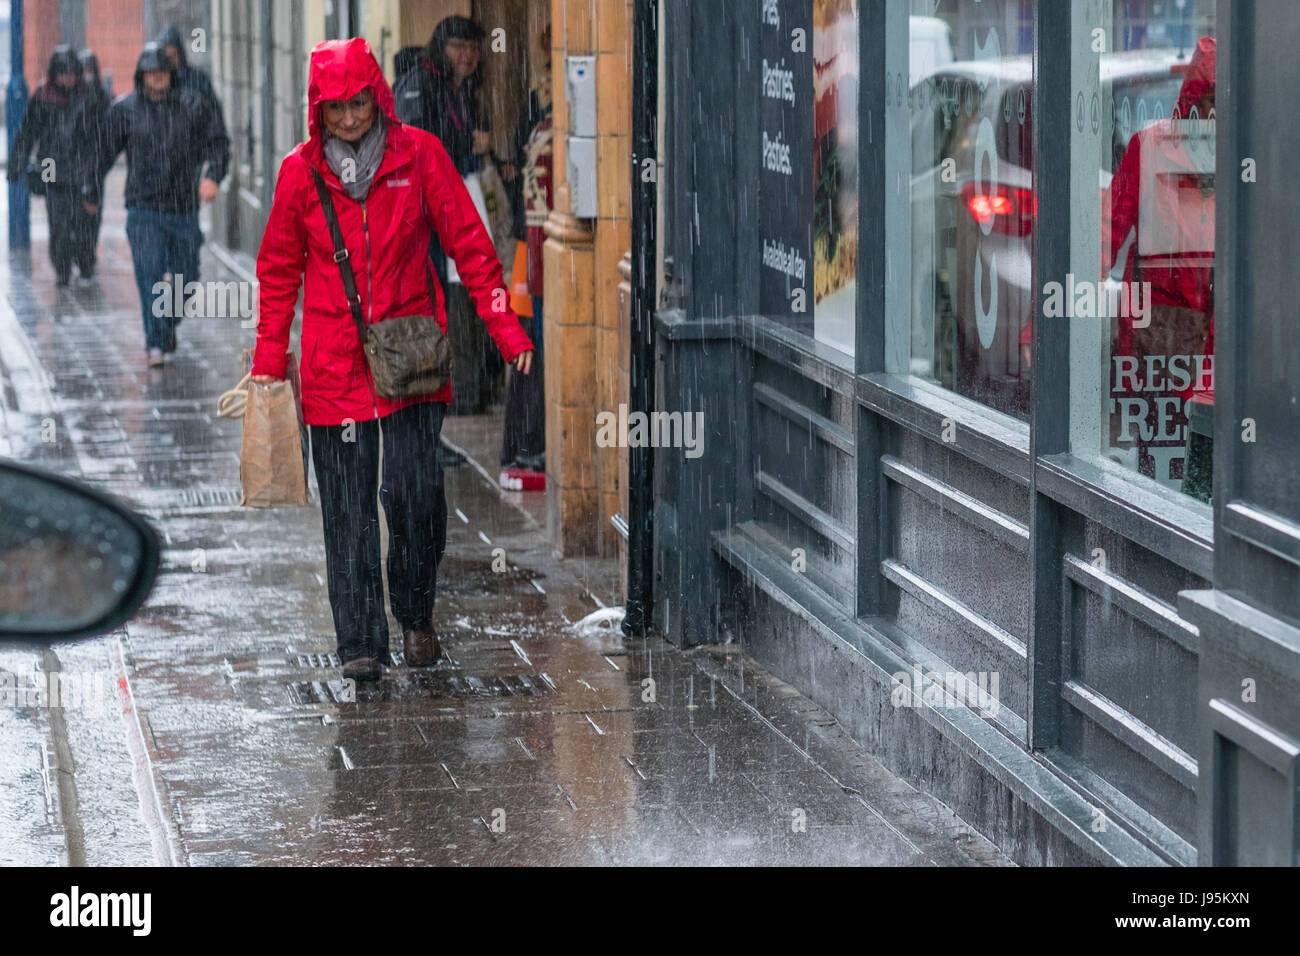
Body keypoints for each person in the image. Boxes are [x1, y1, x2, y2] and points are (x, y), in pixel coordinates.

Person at [249, 38, 535, 682]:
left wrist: (505, 330)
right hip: (333, 364)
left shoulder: (420, 155)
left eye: (358, 104)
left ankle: (414, 610)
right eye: (334, 108)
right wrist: (270, 361)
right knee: (347, 509)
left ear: (377, 96)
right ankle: (360, 642)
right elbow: (278, 271)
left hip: (410, 357)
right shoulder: (300, 173)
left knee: (413, 496)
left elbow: (471, 245)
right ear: (316, 110)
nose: (349, 119)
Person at [1106, 36, 1216, 498]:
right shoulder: (1149, 148)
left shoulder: (1244, 161)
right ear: (1193, 101)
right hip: (1162, 346)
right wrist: (1043, 323)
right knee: (1161, 475)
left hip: (1215, 347)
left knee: (1207, 479)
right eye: (1209, 103)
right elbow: (1104, 232)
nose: (1215, 116)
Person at [395, 15, 510, 420]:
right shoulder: (420, 85)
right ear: (439, 49)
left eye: (474, 49)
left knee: (465, 294)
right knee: (444, 301)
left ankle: (469, 386)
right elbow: (415, 144)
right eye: (458, 47)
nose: (467, 56)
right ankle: (449, 391)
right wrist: (467, 140)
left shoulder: (463, 89)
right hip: (428, 214)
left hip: (459, 201)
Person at [98, 43, 229, 366]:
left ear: (171, 75)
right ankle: (154, 342)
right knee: (149, 274)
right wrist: (88, 186)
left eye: (163, 73)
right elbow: (103, 152)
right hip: (143, 208)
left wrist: (213, 174)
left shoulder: (192, 106)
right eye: (151, 74)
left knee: (186, 277)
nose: (157, 79)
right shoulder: (125, 110)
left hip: (182, 207)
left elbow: (217, 142)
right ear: (142, 76)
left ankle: (167, 324)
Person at [7, 46, 104, 286]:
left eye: (71, 73)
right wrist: (17, 162)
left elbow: (105, 133)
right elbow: (28, 132)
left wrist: (98, 165)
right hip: (53, 170)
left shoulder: (91, 95)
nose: (67, 79)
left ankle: (85, 263)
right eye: (63, 73)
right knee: (58, 225)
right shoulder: (43, 97)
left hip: (83, 171)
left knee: (85, 226)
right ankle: (62, 269)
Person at [500, 39, 552, 481]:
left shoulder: (543, 125)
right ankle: (531, 440)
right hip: (536, 252)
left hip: (534, 249)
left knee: (530, 345)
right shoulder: (545, 125)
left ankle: (527, 440)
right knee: (532, 343)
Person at [78, 49, 112, 266]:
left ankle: (88, 253)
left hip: (96, 161)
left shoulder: (101, 97)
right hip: (77, 161)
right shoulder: (74, 95)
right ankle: (81, 251)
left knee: (93, 209)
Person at [156, 24, 222, 110]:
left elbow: (214, 112)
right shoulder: (155, 80)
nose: (171, 61)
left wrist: (201, 104)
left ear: (180, 55)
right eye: (167, 57)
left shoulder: (198, 78)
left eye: (174, 55)